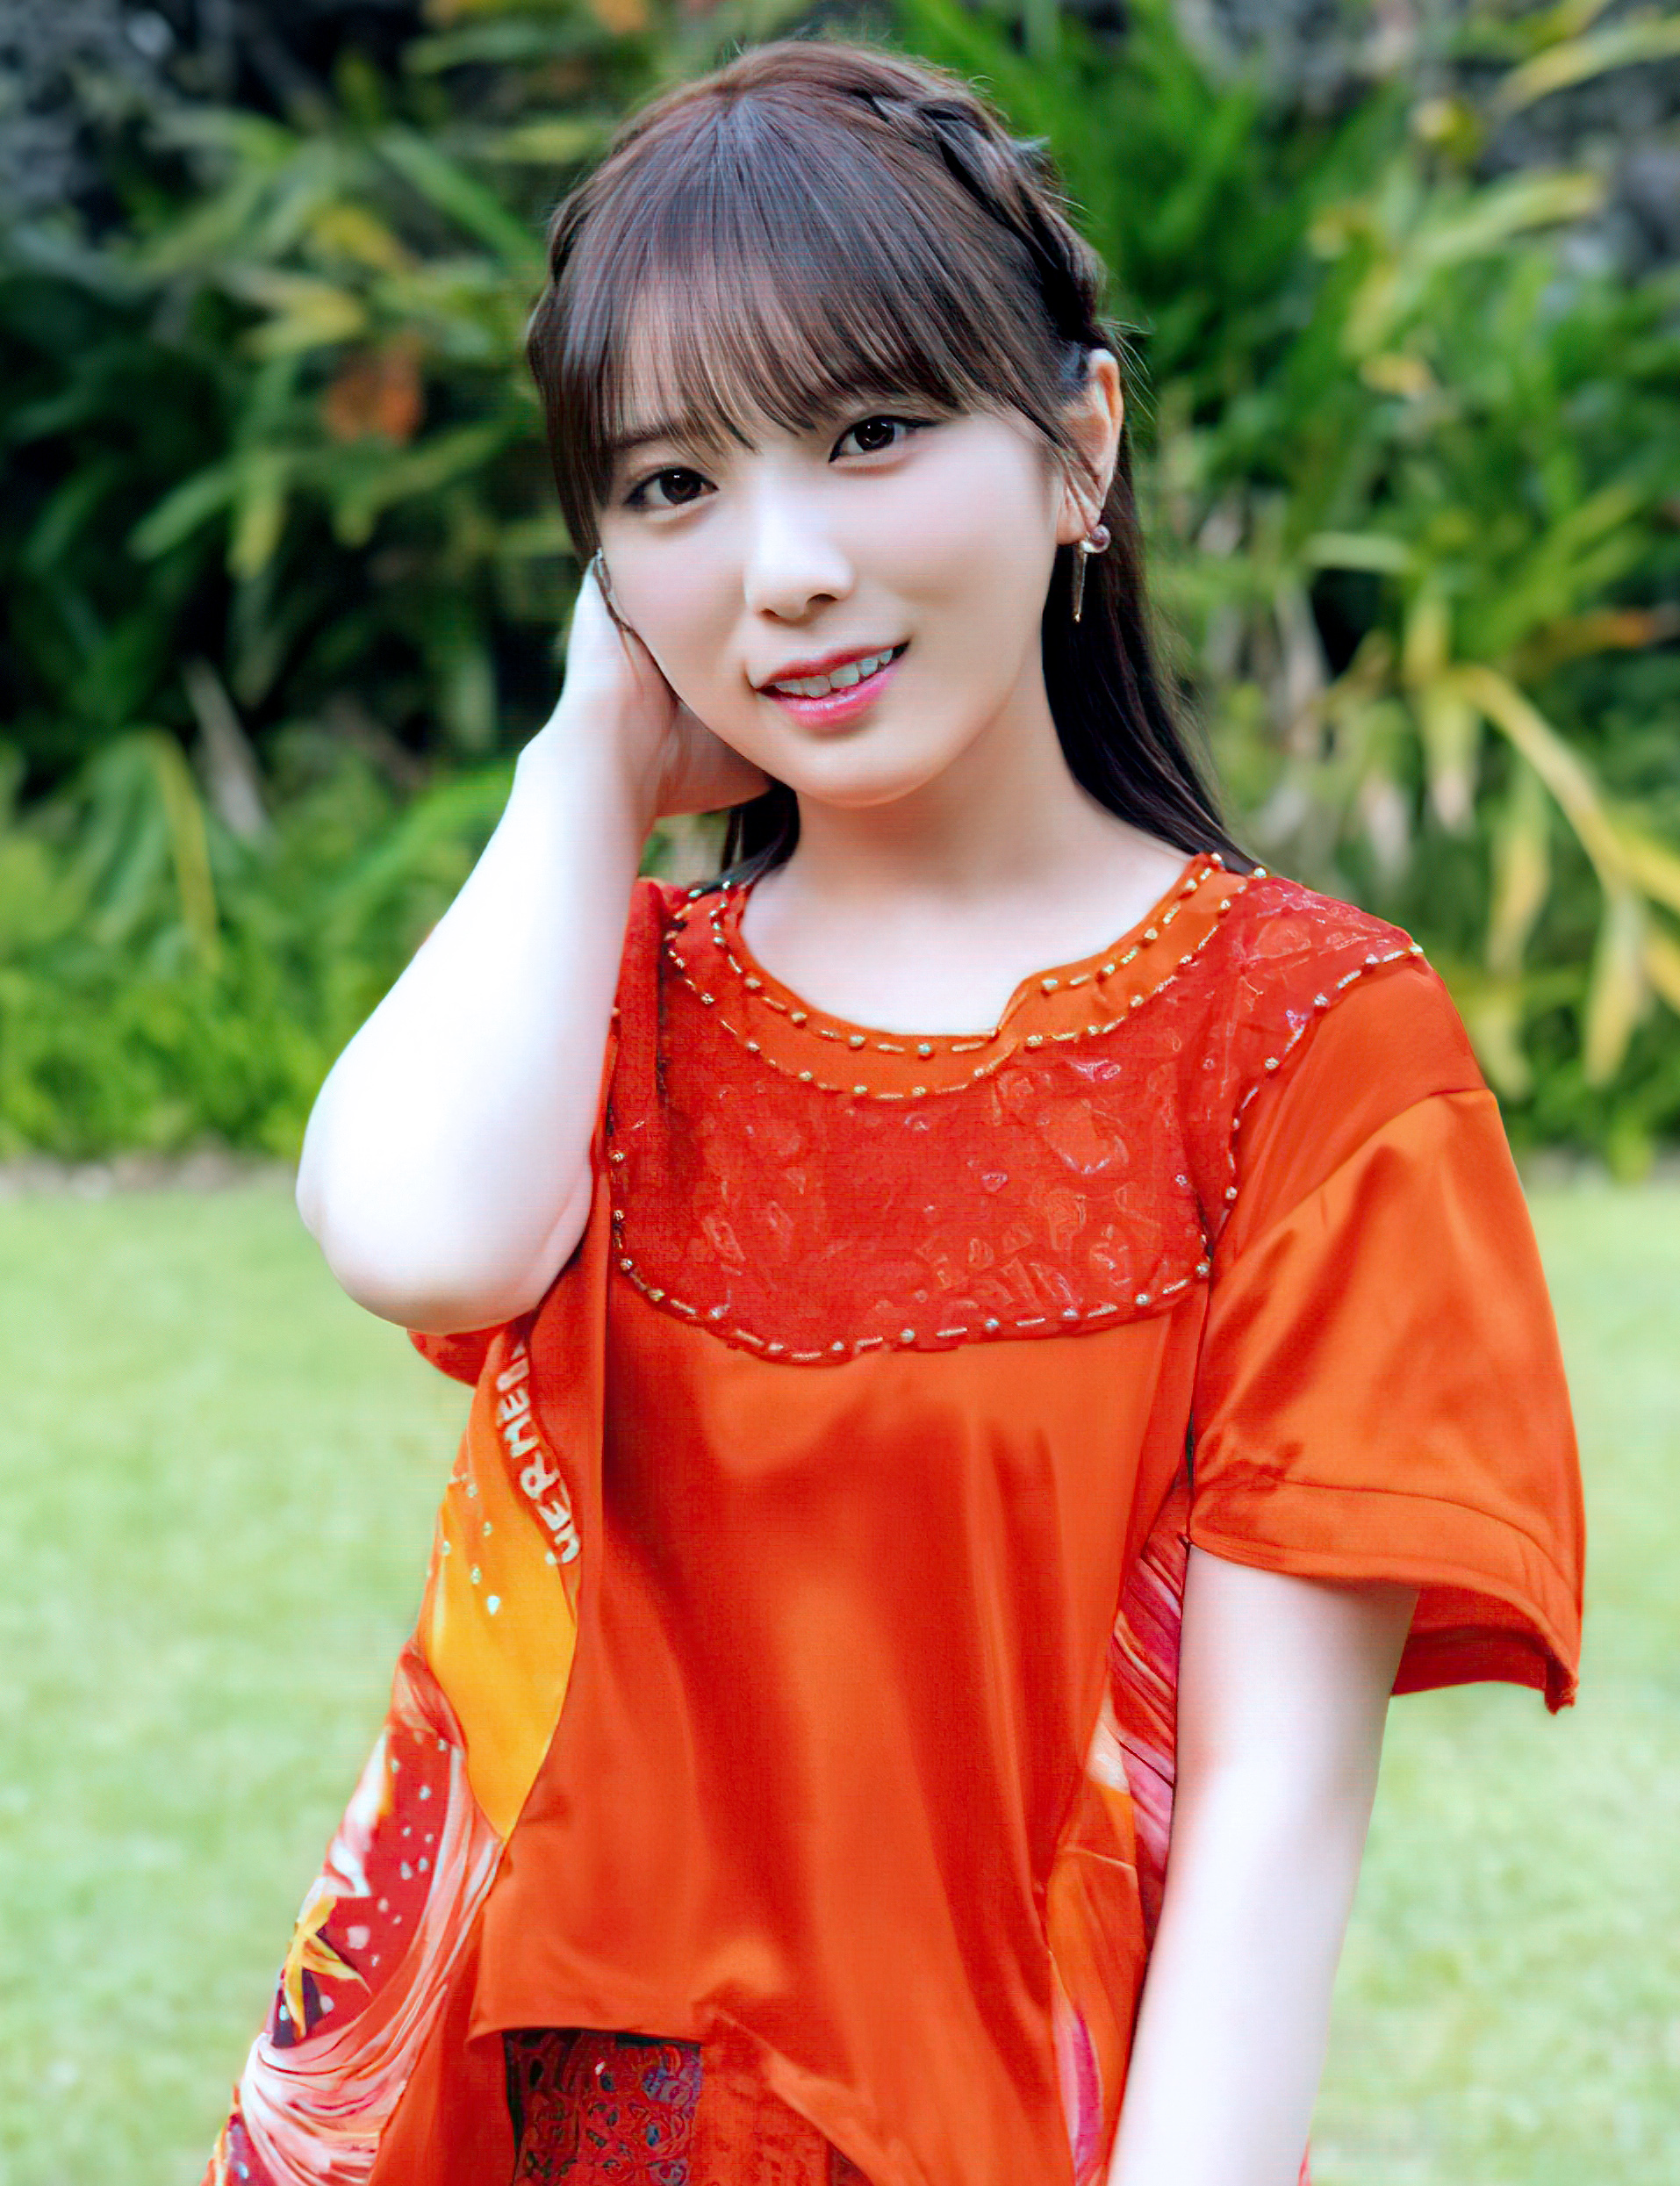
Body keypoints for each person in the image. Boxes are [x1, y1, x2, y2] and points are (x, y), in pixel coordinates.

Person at [202, 32, 1584, 2186]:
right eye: (672, 487)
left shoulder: (1304, 1044)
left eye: (868, 435)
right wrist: (588, 758)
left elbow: (1268, 1815)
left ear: (1078, 444)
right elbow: (417, 1237)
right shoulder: (607, 1005)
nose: (783, 570)